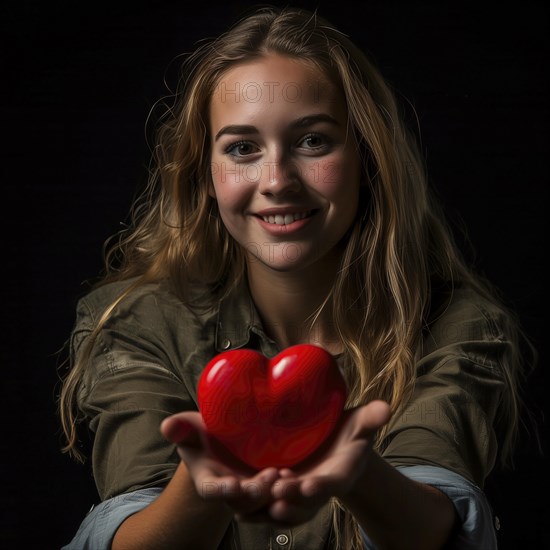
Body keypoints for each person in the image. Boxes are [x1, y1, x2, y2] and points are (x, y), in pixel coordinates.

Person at [57, 5, 534, 549]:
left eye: (312, 141)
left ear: (366, 159)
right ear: (205, 175)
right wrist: (203, 483)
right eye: (242, 148)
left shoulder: (460, 324)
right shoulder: (133, 323)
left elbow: (436, 528)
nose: (277, 180)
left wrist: (361, 475)